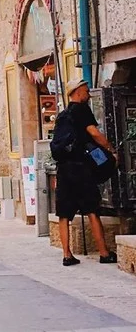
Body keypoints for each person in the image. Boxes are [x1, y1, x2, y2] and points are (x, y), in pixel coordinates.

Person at [55, 78, 119, 266]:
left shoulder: (62, 115)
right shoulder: (82, 110)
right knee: (92, 210)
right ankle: (104, 253)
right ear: (77, 92)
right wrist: (111, 149)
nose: (88, 94)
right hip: (80, 168)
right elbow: (94, 133)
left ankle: (67, 254)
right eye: (86, 90)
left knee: (64, 214)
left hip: (63, 169)